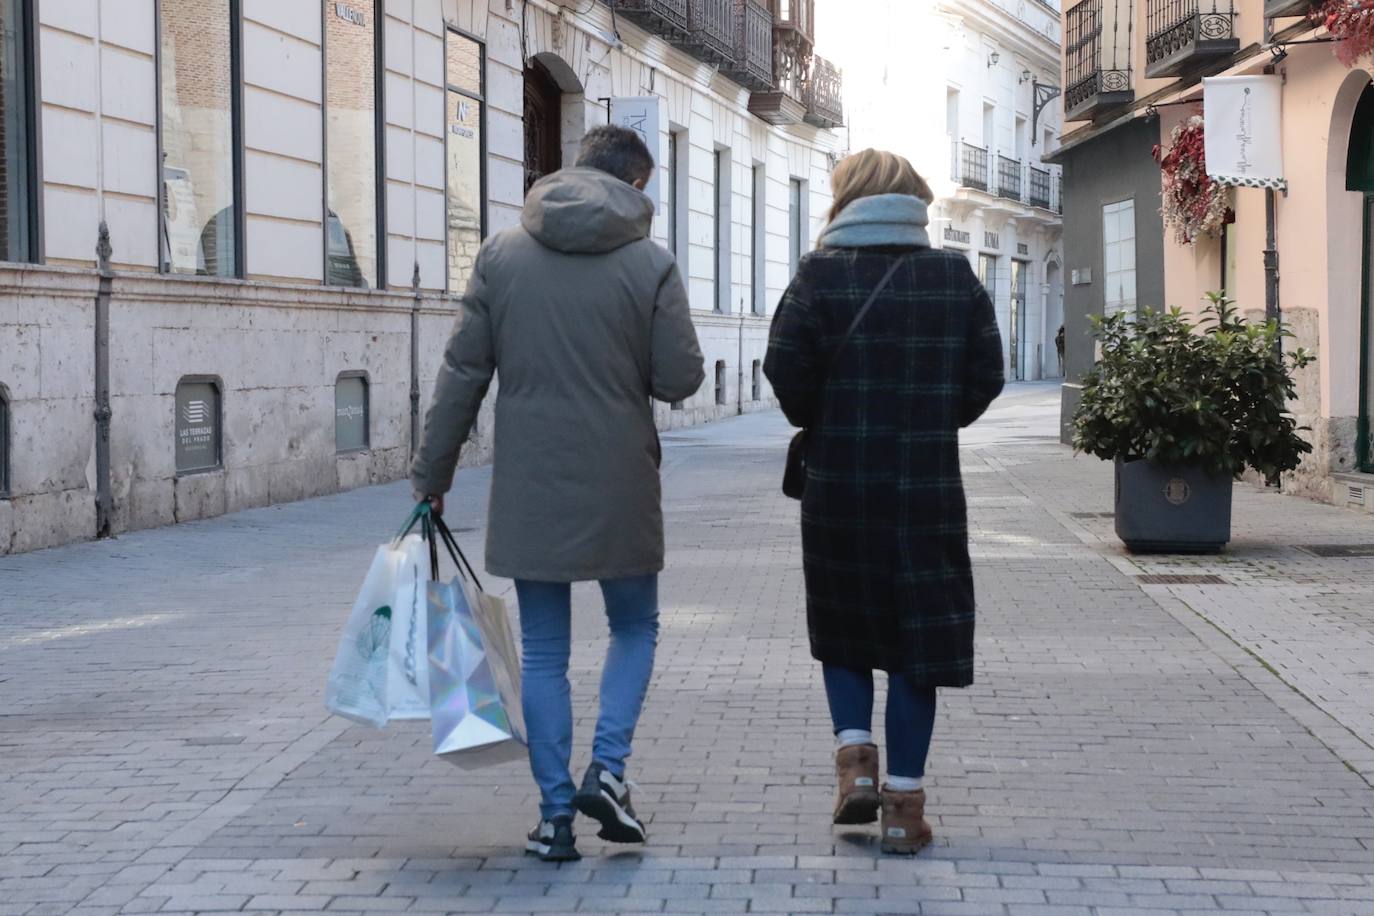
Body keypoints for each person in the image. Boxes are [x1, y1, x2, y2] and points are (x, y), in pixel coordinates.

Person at [411, 125, 705, 862]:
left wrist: (432, 478)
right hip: (621, 483)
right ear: (636, 185)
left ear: (576, 170)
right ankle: (606, 771)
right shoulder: (652, 263)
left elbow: (461, 376)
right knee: (634, 627)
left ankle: (552, 820)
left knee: (543, 649)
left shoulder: (502, 256)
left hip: (529, 482)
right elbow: (679, 379)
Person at [763, 149, 1004, 855]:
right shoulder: (953, 276)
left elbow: (785, 369)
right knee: (914, 645)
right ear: (912, 202)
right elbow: (987, 374)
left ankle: (854, 767)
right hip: (925, 488)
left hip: (838, 487)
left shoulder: (817, 276)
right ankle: (904, 807)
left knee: (845, 627)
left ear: (847, 199)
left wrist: (825, 413)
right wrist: (934, 416)